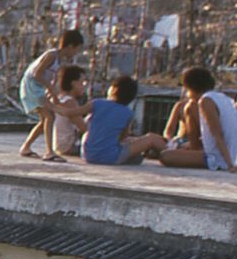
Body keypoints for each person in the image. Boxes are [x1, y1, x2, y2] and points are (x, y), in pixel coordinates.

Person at [154, 66, 237, 171]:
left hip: (218, 157)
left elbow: (217, 134)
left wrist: (230, 165)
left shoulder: (205, 101)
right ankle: (194, 150)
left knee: (166, 156)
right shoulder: (223, 98)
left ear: (190, 88)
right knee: (190, 107)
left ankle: (195, 152)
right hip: (225, 152)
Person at [18, 29, 84, 157]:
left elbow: (52, 82)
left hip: (38, 87)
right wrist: (49, 88)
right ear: (70, 46)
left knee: (44, 119)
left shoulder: (58, 61)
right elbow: (37, 74)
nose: (76, 53)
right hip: (31, 86)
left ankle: (26, 147)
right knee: (49, 117)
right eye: (77, 49)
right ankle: (49, 152)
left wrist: (54, 97)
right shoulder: (51, 56)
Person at [80, 75, 169, 166]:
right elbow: (123, 137)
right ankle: (172, 153)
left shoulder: (97, 103)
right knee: (151, 139)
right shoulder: (127, 113)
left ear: (114, 89)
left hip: (88, 155)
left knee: (136, 150)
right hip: (109, 157)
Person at [49, 64, 91, 159]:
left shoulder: (60, 99)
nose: (84, 86)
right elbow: (83, 128)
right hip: (69, 146)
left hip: (59, 145)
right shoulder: (70, 102)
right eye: (82, 83)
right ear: (73, 83)